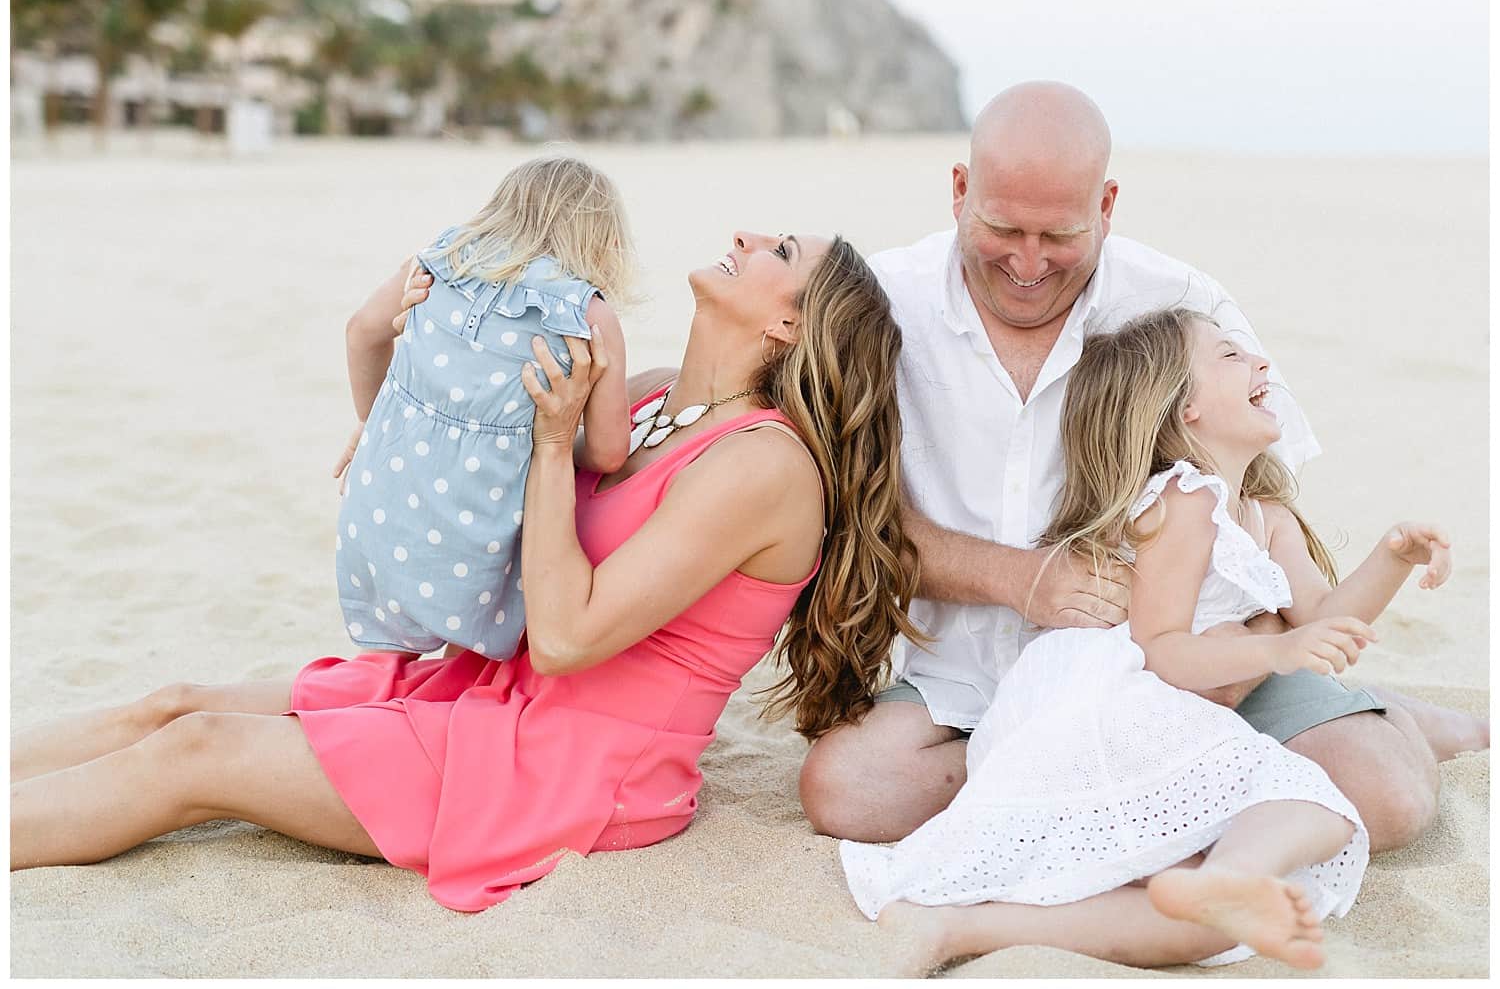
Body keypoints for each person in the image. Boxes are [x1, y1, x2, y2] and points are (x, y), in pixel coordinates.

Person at [10, 231, 925, 913]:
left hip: (565, 769)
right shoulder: (645, 399)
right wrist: (404, 431)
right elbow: (496, 493)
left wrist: (556, 437)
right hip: (487, 690)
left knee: (194, 750)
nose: (746, 238)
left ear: (788, 321)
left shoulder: (765, 467)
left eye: (780, 250)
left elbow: (567, 637)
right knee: (169, 703)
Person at [800, 81, 1487, 851]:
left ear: (1108, 204)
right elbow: (843, 517)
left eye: (1059, 234)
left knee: (1383, 795)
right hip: (965, 680)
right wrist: (1022, 578)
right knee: (850, 791)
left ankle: (1376, 718)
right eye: (1003, 228)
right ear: (961, 191)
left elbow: (1260, 495)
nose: (1029, 262)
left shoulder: (1181, 304)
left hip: (1192, 679)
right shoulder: (884, 303)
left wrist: (1247, 642)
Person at [841, 308, 1452, 970]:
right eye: (1229, 356)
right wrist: (1273, 652)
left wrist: (1393, 556)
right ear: (1185, 408)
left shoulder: (1266, 516)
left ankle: (966, 929)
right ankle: (1228, 876)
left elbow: (1325, 618)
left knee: (1262, 871)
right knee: (1311, 804)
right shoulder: (1183, 500)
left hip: (1179, 712)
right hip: (1112, 703)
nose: (1260, 364)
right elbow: (1161, 648)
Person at [332, 155, 634, 661]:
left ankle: (358, 702)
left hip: (378, 495)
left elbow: (362, 331)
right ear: (601, 237)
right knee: (464, 657)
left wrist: (372, 420)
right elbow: (608, 451)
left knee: (383, 658)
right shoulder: (586, 314)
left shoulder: (439, 260)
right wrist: (541, 441)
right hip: (476, 522)